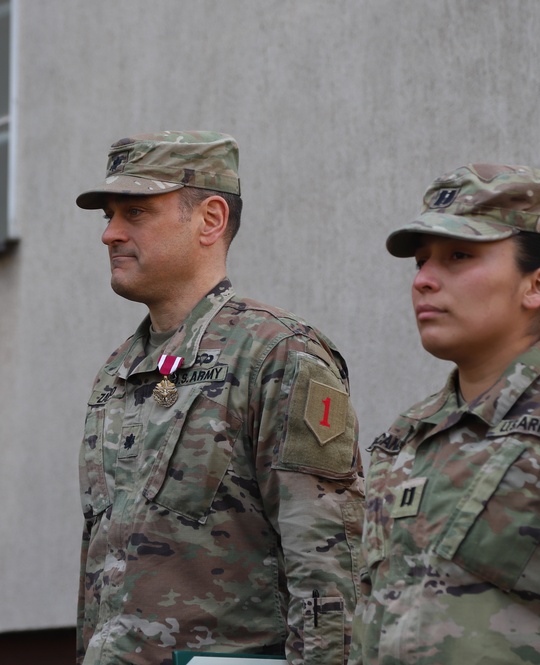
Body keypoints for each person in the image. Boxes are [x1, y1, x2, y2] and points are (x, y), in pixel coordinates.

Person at [75, 131, 365, 665]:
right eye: (108, 216)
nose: (110, 234)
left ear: (210, 219)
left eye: (134, 213)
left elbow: (327, 567)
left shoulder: (277, 354)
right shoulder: (119, 372)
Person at [355, 163, 540, 662]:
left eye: (458, 256)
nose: (425, 281)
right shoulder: (407, 435)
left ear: (537, 286)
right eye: (421, 262)